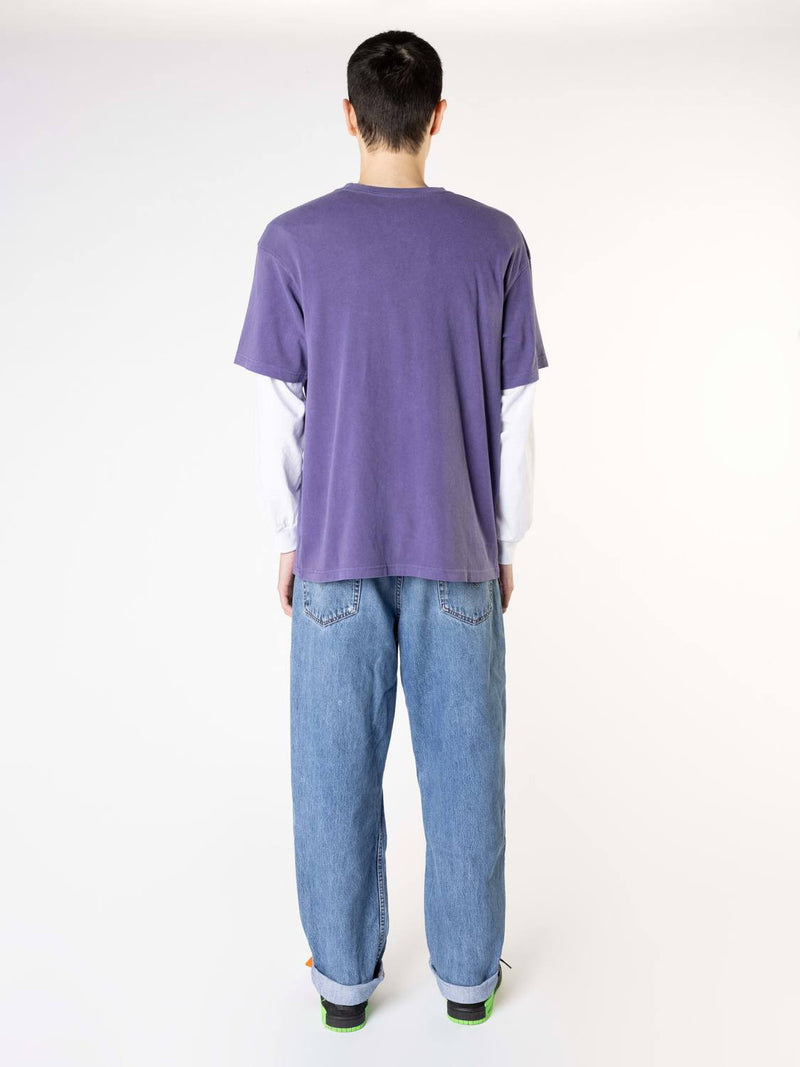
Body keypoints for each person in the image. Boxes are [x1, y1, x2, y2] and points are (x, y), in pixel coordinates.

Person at [233, 29, 549, 1032]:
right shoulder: (494, 241)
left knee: (331, 781)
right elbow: (514, 413)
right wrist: (503, 541)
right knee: (466, 776)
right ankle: (467, 980)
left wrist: (288, 534)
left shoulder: (292, 241)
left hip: (335, 550)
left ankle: (341, 983)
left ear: (349, 116)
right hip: (457, 549)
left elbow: (278, 409)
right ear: (438, 116)